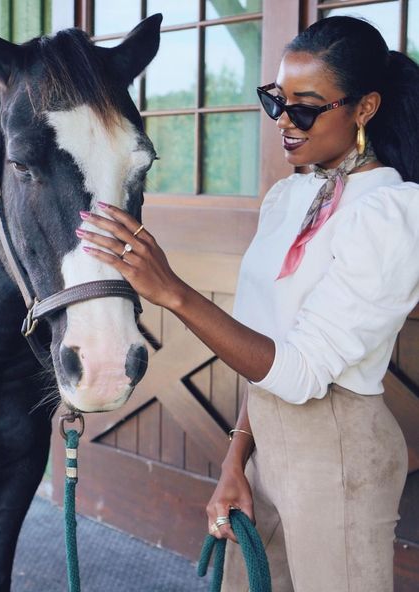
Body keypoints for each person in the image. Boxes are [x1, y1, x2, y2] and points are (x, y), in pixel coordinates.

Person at [77, 16, 419, 592]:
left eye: (306, 107)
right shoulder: (287, 197)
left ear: (365, 108)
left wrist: (175, 294)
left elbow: (303, 371)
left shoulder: (392, 213)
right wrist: (236, 463)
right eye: (277, 101)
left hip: (339, 456)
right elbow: (265, 348)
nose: (285, 121)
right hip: (264, 451)